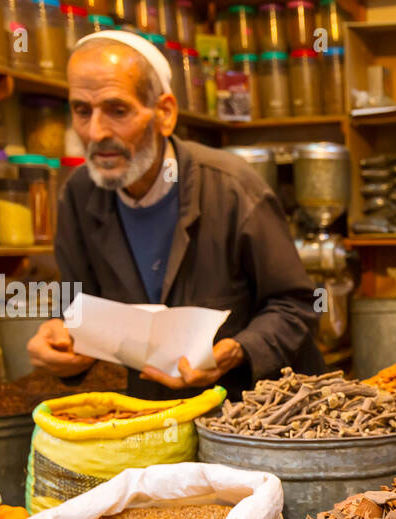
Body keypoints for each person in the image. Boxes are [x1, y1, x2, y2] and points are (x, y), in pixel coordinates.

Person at [26, 31, 322, 399]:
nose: (95, 132)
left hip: (259, 414)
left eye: (118, 111)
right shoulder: (79, 193)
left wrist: (234, 352)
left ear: (164, 113)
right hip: (154, 413)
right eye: (82, 111)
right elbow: (77, 305)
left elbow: (297, 306)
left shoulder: (232, 188)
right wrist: (61, 335)